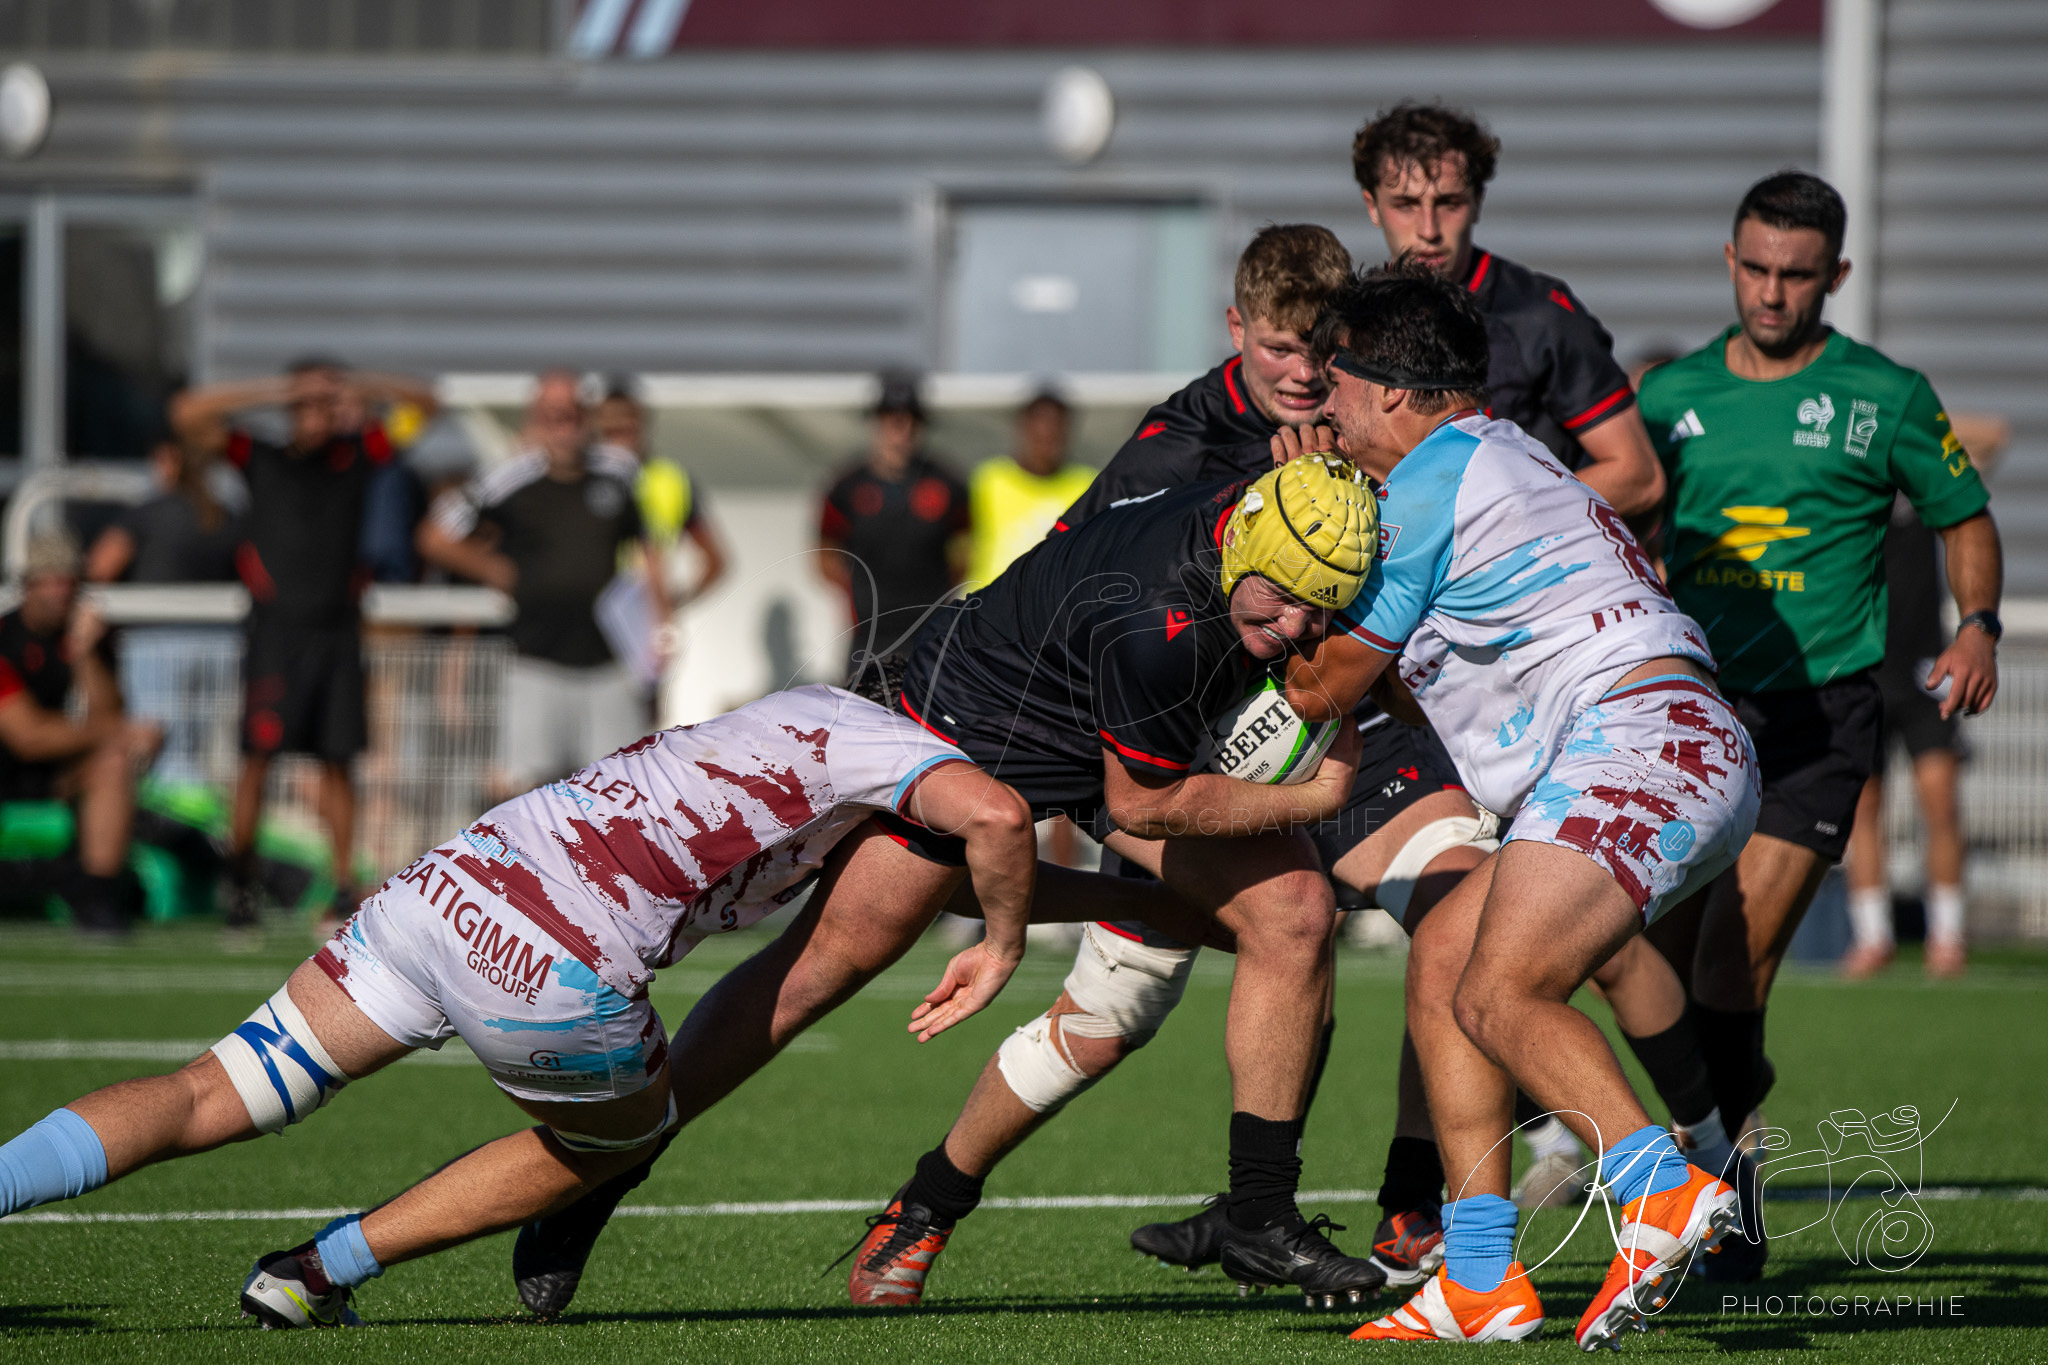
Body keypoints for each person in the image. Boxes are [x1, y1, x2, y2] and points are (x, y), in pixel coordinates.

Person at [0, 680, 1042, 1330]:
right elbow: (992, 820)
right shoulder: (904, 751)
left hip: (446, 885)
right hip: (551, 960)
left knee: (208, 1089)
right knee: (619, 1140)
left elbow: (949, 862)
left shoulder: (791, 717)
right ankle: (314, 1272)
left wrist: (1155, 904)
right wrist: (1000, 946)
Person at [1276, 263, 1756, 1347]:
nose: (1324, 408)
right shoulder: (1497, 453)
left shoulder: (1421, 490)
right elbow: (1411, 676)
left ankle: (1662, 1189)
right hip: (1662, 740)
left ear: (1391, 391)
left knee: (1501, 996)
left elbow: (1321, 690)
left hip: (1634, 742)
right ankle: (1483, 1274)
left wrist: (1268, 560)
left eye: (1336, 383)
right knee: (1451, 955)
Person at [1635, 171, 2001, 1282]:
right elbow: (1613, 522)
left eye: (1796, 275)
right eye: (1753, 268)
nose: (1771, 292)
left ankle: (1723, 1198)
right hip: (1688, 708)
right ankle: (1705, 1139)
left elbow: (1963, 516)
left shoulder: (1881, 394)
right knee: (1646, 966)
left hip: (1817, 716)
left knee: (1729, 958)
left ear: (1832, 276)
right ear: (1729, 260)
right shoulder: (1666, 396)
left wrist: (1976, 623)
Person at [172, 359, 440, 937]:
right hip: (275, 635)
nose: (316, 416)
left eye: (325, 405)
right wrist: (278, 388)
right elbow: (188, 412)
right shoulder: (260, 456)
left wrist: (357, 387)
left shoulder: (359, 454)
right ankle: (239, 885)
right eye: (306, 406)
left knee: (339, 763)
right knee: (257, 762)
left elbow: (426, 403)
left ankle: (342, 888)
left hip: (338, 633)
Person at [1351, 102, 1665, 521]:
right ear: (1371, 206)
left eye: (1449, 202)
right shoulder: (1349, 323)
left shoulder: (1540, 315)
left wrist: (1500, 518)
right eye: (1406, 204)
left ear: (1478, 201)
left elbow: (1639, 477)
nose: (1428, 229)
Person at [418, 372, 672, 799]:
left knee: (620, 793)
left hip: (610, 662)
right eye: (552, 414)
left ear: (588, 416)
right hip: (536, 662)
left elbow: (648, 553)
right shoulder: (510, 477)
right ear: (536, 418)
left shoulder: (618, 472)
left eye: (571, 413)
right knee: (530, 795)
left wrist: (661, 627)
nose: (563, 423)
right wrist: (492, 568)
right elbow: (436, 535)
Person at [1842, 415, 2011, 981]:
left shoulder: (1923, 481)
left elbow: (1995, 436)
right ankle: (1872, 937)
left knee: (1939, 801)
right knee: (1863, 809)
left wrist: (1905, 417)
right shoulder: (1844, 487)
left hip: (1924, 668)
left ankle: (1947, 936)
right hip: (1861, 670)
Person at [0, 531, 162, 932]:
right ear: (28, 585)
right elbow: (27, 737)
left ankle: (98, 897)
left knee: (113, 762)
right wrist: (120, 730)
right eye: (51, 581)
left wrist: (85, 652)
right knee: (117, 743)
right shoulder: (6, 639)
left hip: (48, 777)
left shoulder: (80, 637)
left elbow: (108, 709)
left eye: (69, 582)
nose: (61, 592)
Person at [85, 420, 245, 787]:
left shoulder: (149, 512)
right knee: (214, 755)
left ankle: (173, 831)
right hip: (224, 645)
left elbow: (101, 566)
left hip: (156, 644)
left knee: (164, 752)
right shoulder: (228, 515)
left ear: (169, 460)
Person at [818, 372, 969, 667]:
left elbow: (964, 550)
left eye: (910, 420)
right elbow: (824, 553)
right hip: (868, 634)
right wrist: (857, 595)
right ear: (876, 423)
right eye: (892, 419)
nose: (901, 430)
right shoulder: (846, 486)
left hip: (930, 633)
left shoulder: (947, 482)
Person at [594, 378, 729, 612]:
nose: (621, 432)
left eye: (628, 423)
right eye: (612, 427)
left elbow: (715, 561)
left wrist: (672, 604)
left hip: (642, 619)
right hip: (583, 617)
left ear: (643, 422)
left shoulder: (671, 480)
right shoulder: (575, 477)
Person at [962, 387, 1094, 592]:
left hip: (1059, 610)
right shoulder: (988, 480)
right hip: (991, 608)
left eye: (1054, 432)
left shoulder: (1087, 485)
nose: (1047, 439)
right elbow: (961, 550)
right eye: (1040, 433)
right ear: (1023, 429)